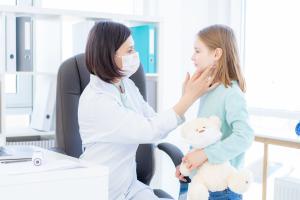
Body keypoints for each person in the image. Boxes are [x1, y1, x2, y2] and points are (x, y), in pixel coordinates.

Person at [78, 21, 218, 200]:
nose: (136, 55)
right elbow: (149, 130)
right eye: (129, 51)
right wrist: (188, 99)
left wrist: (184, 98)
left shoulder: (125, 84)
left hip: (129, 187)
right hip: (101, 191)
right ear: (109, 55)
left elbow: (154, 120)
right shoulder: (96, 100)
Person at [175, 25, 254, 200]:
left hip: (223, 190)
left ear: (216, 54)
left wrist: (203, 155)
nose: (192, 57)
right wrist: (189, 165)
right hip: (203, 185)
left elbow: (245, 136)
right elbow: (202, 138)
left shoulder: (231, 93)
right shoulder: (209, 91)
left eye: (197, 51)